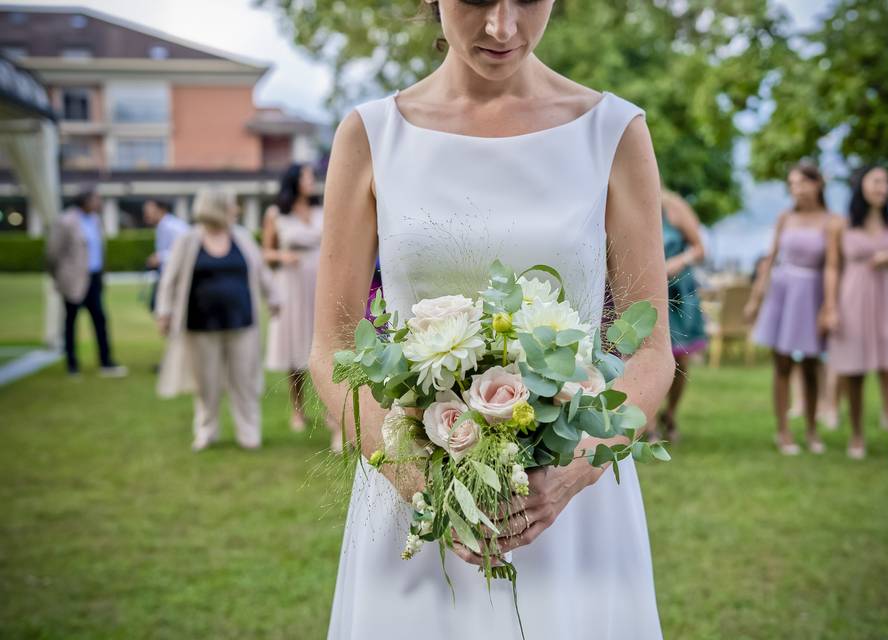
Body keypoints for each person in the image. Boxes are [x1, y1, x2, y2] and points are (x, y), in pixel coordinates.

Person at [309, 1, 674, 637]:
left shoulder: (612, 131)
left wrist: (574, 469)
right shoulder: (371, 135)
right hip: (415, 503)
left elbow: (650, 353)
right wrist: (419, 480)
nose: (502, 27)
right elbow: (331, 347)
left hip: (569, 501)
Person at [155, 187, 280, 452]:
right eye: (233, 204)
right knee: (206, 384)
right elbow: (169, 280)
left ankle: (249, 433)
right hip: (201, 325)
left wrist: (274, 298)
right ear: (218, 206)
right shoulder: (188, 241)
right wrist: (164, 312)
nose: (237, 209)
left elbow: (261, 271)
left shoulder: (242, 238)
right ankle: (206, 431)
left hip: (242, 322)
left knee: (244, 381)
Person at [745, 162, 838, 455]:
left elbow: (833, 266)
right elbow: (770, 259)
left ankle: (812, 430)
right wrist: (755, 299)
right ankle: (783, 431)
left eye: (801, 183)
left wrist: (829, 306)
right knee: (782, 365)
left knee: (811, 364)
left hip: (811, 294)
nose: (795, 189)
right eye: (792, 184)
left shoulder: (832, 221)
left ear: (817, 184)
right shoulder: (785, 217)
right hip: (782, 293)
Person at [822, 165, 888, 468]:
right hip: (852, 300)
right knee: (854, 374)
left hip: (886, 301)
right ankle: (856, 435)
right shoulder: (841, 225)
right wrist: (831, 307)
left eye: (886, 182)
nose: (883, 187)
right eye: (877, 181)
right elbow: (832, 267)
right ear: (861, 186)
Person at [261, 163, 332, 439]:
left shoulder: (321, 210)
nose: (311, 180)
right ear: (293, 180)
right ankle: (298, 410)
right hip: (291, 283)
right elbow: (265, 252)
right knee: (295, 346)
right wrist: (282, 256)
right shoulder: (276, 214)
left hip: (319, 281)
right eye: (306, 176)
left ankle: (330, 408)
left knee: (324, 344)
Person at [45, 187, 127, 378]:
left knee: (100, 319)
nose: (99, 203)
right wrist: (60, 277)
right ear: (85, 201)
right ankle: (72, 364)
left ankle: (106, 362)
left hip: (94, 277)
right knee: (71, 322)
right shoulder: (66, 221)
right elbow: (52, 253)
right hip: (73, 279)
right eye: (96, 199)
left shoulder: (96, 220)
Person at [654, 190, 707, 443]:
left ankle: (671, 413)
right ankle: (649, 423)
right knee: (641, 355)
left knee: (679, 359)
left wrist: (680, 260)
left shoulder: (674, 206)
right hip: (645, 291)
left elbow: (700, 249)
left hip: (678, 293)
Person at [143, 199, 189, 311]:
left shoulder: (174, 227)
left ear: (161, 210)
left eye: (149, 210)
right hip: (165, 274)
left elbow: (186, 250)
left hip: (175, 276)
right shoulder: (162, 226)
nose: (146, 214)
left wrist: (160, 258)